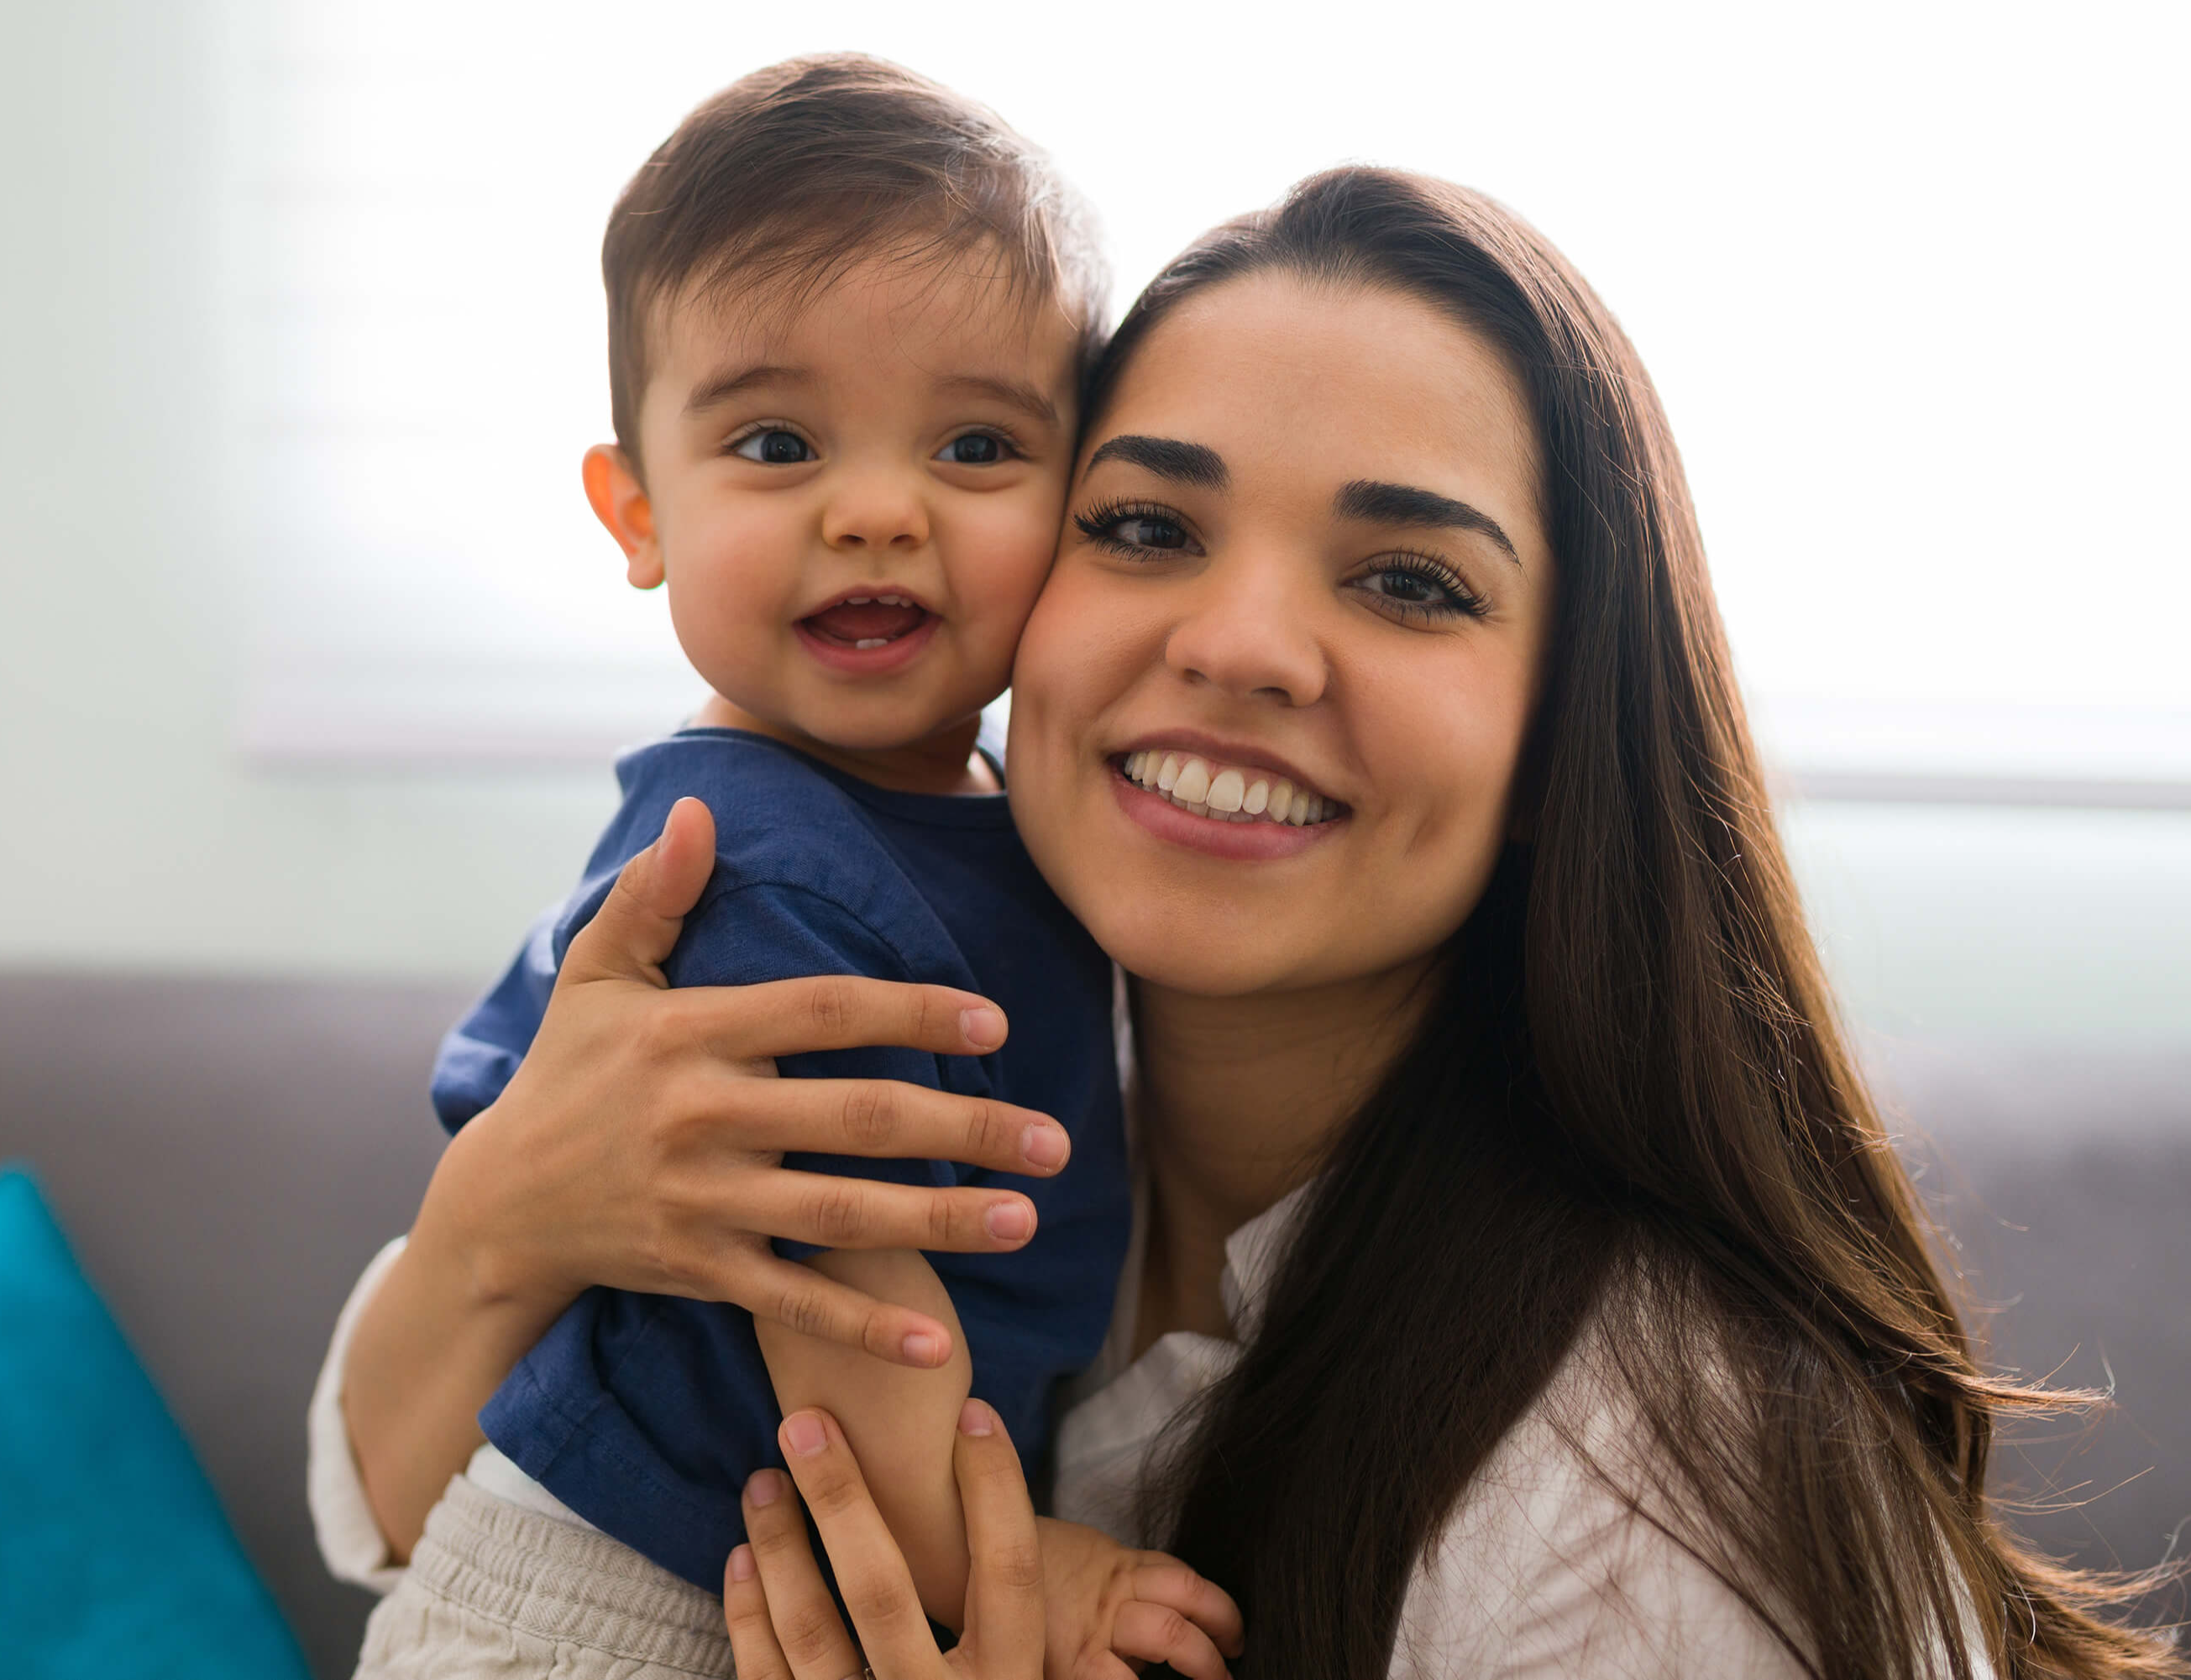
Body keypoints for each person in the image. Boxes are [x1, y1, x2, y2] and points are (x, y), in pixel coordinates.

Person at [317, 167, 2188, 1679]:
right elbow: (400, 1508)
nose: (1232, 644)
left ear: (1565, 723)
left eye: (1404, 578)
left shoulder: (1643, 1503)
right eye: (1144, 528)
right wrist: (500, 1221)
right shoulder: (870, 1015)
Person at [337, 50, 1241, 1677]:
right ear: (637, 515)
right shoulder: (770, 878)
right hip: (617, 1601)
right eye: (773, 442)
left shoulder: (956, 812)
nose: (879, 510)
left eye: (973, 448)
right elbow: (848, 1304)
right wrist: (1018, 1566)